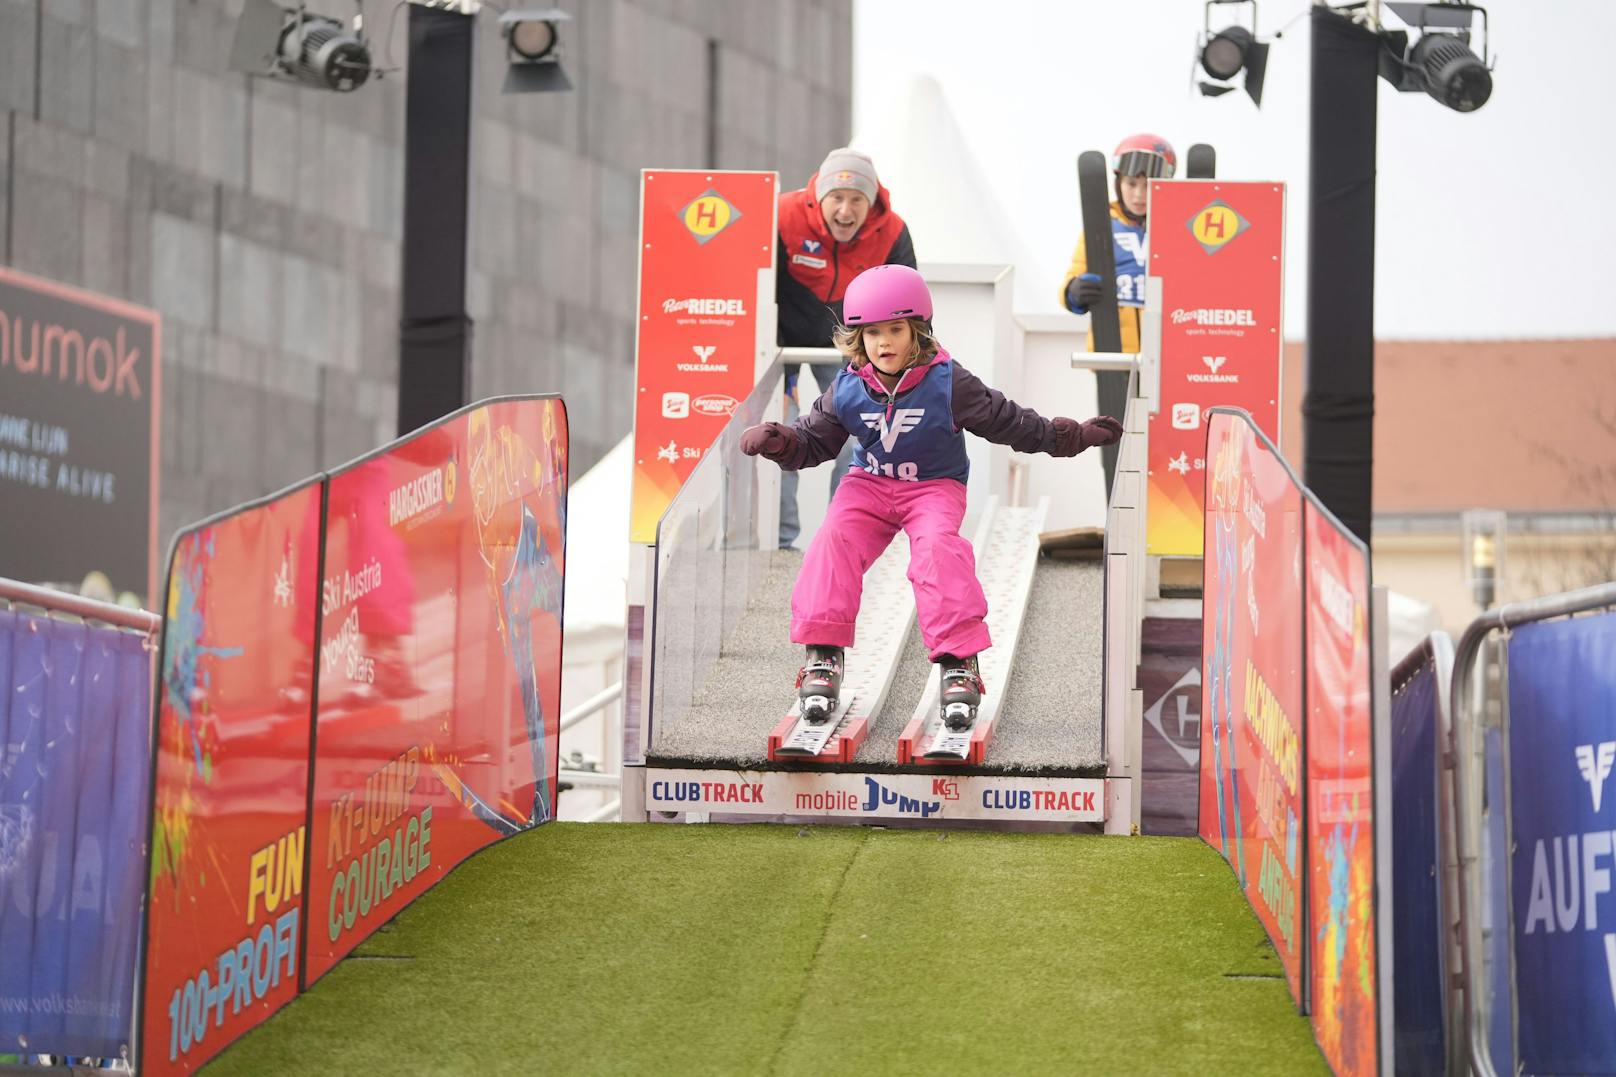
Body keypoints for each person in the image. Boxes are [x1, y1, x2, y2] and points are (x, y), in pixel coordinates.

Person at [741, 266, 1122, 730]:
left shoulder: (948, 383)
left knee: (938, 550)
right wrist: (780, 441)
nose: (884, 342)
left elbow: (1012, 422)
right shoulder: (848, 387)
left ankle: (959, 662)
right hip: (870, 483)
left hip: (933, 487)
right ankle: (823, 654)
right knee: (832, 539)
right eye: (872, 332)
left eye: (895, 330)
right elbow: (813, 442)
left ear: (917, 330)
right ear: (858, 338)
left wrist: (1072, 436)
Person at [775, 148, 916, 549]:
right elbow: (753, 282)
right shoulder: (784, 216)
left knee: (861, 434)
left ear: (871, 203)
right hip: (778, 341)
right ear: (819, 196)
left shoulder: (892, 232)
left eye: (857, 199)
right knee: (780, 431)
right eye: (837, 198)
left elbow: (909, 306)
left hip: (848, 342)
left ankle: (843, 536)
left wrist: (908, 372)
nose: (845, 210)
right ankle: (780, 544)